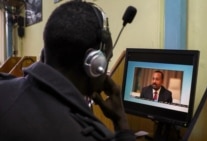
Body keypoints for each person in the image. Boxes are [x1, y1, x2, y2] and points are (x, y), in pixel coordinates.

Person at [0, 1, 135, 141]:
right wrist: (121, 122)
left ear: (44, 53)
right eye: (107, 60)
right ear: (94, 64)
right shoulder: (86, 135)